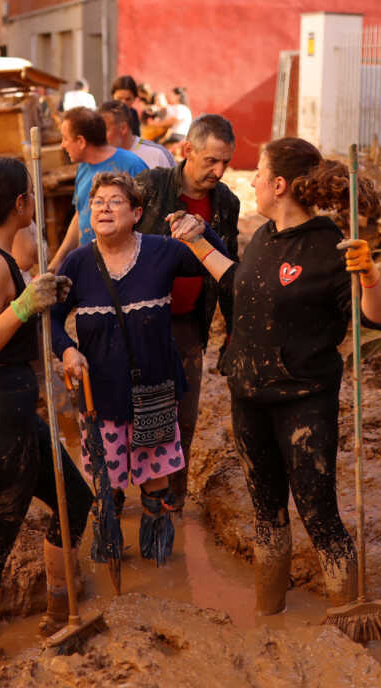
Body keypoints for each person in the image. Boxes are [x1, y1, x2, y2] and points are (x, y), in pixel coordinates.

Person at [170, 137, 381, 616]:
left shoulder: (331, 245)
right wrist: (195, 240)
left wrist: (370, 274)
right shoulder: (265, 237)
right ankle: (267, 616)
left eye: (258, 174)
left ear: (279, 184)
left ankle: (345, 625)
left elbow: (377, 317)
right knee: (266, 516)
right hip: (248, 396)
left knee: (319, 515)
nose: (250, 182)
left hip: (303, 401)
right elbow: (238, 282)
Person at [0, 156, 93, 658]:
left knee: (75, 500)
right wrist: (23, 307)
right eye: (29, 193)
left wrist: (43, 309)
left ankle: (58, 610)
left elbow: (15, 329)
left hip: (10, 413)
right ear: (20, 203)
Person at [52, 172, 230, 565]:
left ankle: (158, 556)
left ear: (136, 214)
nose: (104, 208)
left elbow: (216, 263)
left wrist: (201, 231)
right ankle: (110, 550)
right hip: (101, 397)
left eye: (115, 201)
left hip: (154, 391)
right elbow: (48, 320)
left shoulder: (161, 251)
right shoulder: (78, 263)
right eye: (97, 202)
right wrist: (66, 350)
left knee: (155, 482)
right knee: (106, 484)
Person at [136, 114, 240, 504]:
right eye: (212, 160)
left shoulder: (227, 202)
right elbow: (112, 237)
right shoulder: (150, 187)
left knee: (184, 417)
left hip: (189, 323)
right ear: (187, 151)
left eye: (226, 162)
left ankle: (172, 500)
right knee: (130, 410)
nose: (219, 170)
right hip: (140, 320)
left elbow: (230, 268)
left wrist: (232, 329)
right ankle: (118, 497)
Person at [49, 108, 147, 269]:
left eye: (65, 138)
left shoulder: (132, 166)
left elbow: (148, 222)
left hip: (123, 267)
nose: (62, 145)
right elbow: (80, 215)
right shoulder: (82, 167)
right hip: (90, 265)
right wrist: (57, 262)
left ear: (81, 141)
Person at [99, 100, 174, 170]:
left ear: (123, 128)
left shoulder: (157, 155)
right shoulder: (97, 157)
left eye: (105, 129)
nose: (100, 135)